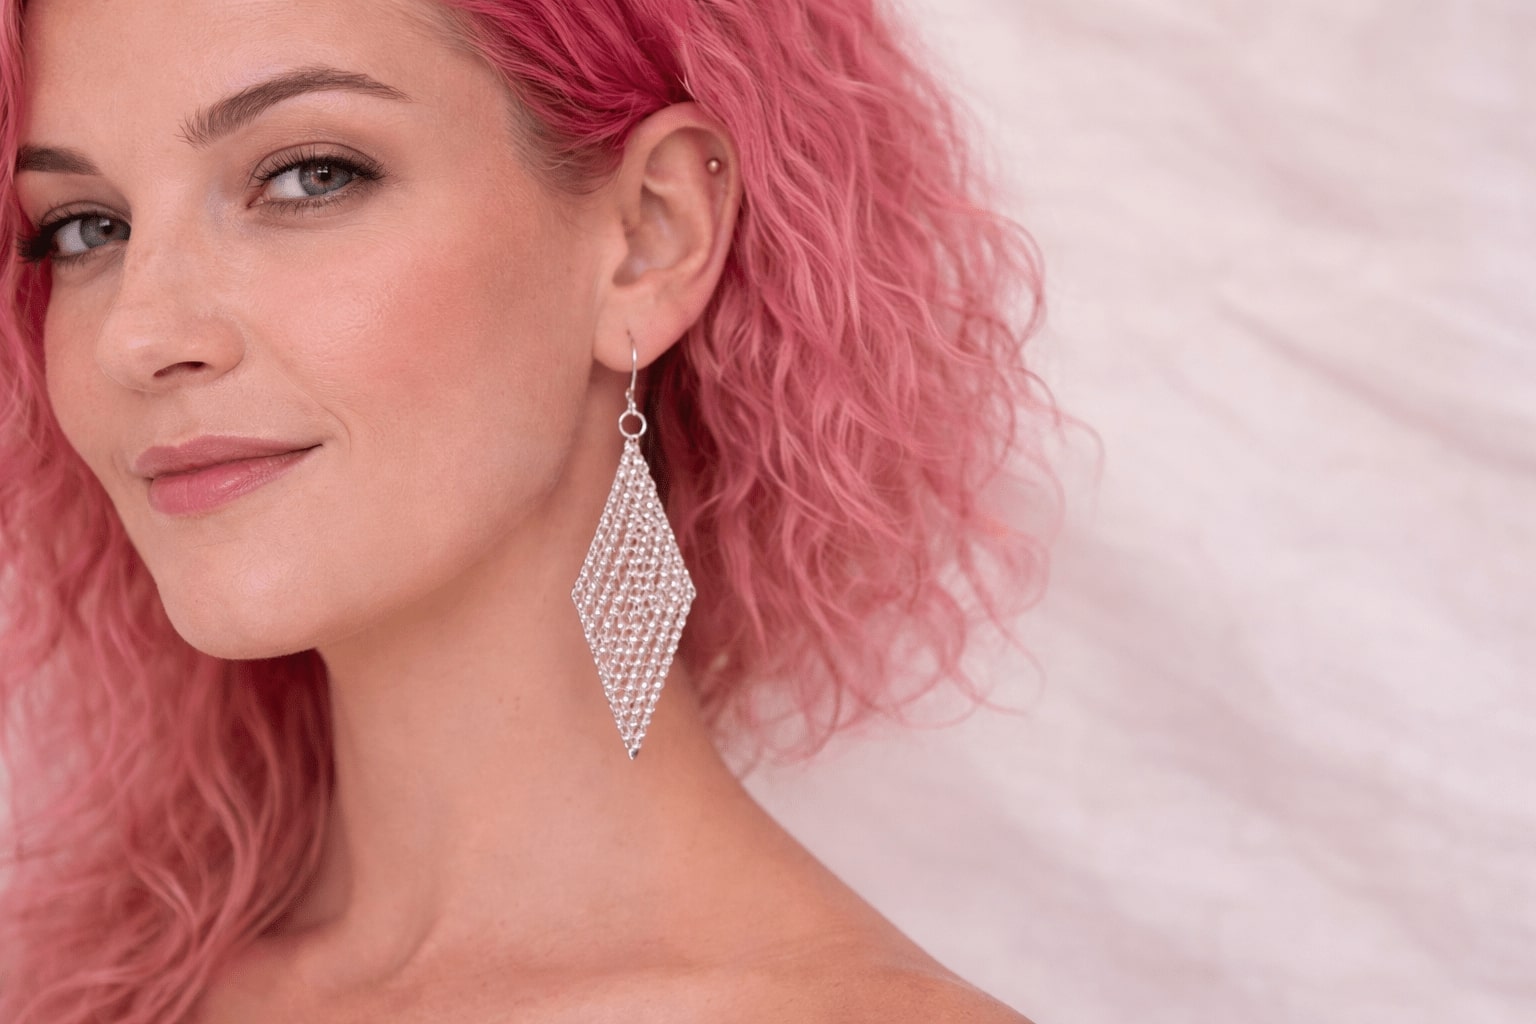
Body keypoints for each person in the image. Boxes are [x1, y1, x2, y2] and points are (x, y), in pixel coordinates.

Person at [0, 0, 1067, 1020]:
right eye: (87, 228)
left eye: (308, 176)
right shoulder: (91, 983)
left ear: (651, 237)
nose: (137, 336)